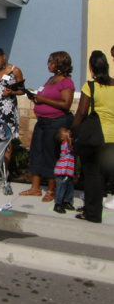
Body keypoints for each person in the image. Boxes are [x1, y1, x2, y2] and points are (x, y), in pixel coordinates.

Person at [20, 51, 74, 201]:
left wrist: (43, 99)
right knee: (36, 152)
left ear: (60, 64)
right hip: (42, 122)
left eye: (51, 62)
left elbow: (66, 104)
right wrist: (35, 98)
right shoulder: (51, 79)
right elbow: (45, 97)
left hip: (56, 122)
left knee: (51, 154)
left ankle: (50, 190)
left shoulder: (66, 82)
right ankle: (35, 188)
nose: (48, 64)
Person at [72, 51, 114, 221]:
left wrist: (72, 132)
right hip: (112, 137)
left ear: (91, 67)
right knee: (102, 175)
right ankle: (95, 207)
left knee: (91, 174)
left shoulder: (90, 86)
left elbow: (81, 113)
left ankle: (92, 213)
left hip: (96, 137)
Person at [53, 128, 75, 214]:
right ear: (62, 137)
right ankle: (58, 203)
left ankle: (67, 201)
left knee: (69, 186)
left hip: (69, 170)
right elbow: (70, 148)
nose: (68, 130)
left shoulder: (69, 142)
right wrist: (69, 138)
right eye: (66, 131)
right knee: (61, 186)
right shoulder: (65, 144)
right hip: (62, 170)